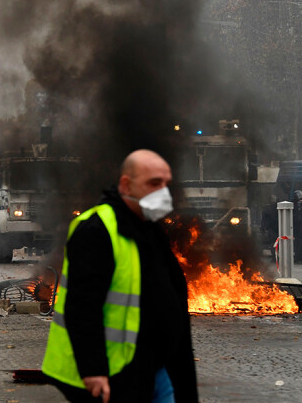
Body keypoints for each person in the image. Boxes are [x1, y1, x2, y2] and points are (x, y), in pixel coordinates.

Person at [42, 149, 198, 403]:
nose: (163, 193)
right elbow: (82, 307)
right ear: (127, 184)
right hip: (115, 372)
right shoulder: (96, 229)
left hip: (154, 366)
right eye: (154, 184)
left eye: (166, 184)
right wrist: (94, 369)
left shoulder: (150, 228)